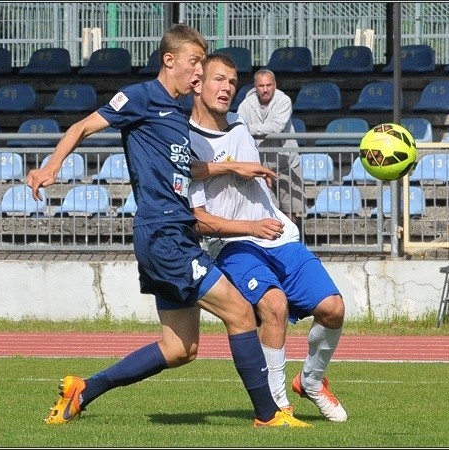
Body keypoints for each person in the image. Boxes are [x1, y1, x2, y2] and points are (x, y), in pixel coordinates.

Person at [26, 24, 310, 428]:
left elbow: (183, 167)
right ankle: (269, 415)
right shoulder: (140, 98)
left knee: (179, 349)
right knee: (241, 312)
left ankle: (84, 389)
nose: (199, 72)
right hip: (164, 234)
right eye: (195, 63)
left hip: (173, 234)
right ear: (170, 60)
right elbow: (81, 127)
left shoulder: (178, 109)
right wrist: (51, 167)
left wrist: (230, 164)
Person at [187, 53, 347, 422]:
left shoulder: (240, 126)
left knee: (333, 309)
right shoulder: (185, 139)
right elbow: (197, 220)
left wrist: (260, 217)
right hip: (232, 243)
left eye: (231, 81)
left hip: (277, 234)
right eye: (218, 79)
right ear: (197, 84)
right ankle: (277, 406)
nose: (226, 87)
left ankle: (310, 380)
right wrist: (248, 223)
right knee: (273, 305)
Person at [236, 68, 305, 224]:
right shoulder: (246, 104)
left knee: (291, 212)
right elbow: (239, 126)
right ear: (255, 86)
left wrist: (250, 128)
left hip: (287, 163)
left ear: (275, 85)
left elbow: (276, 127)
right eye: (261, 86)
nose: (265, 89)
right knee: (268, 212)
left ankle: (292, 244)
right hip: (261, 167)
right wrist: (250, 128)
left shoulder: (284, 101)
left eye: (269, 85)